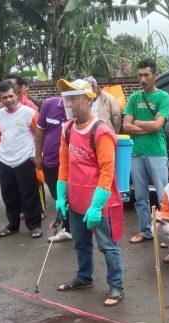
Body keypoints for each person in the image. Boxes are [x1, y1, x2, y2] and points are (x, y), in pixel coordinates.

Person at [54, 78, 125, 307]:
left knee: (108, 246)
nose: (69, 104)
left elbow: (107, 171)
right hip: (75, 200)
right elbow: (64, 166)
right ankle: (84, 277)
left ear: (88, 98)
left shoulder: (101, 132)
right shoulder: (67, 129)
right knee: (81, 243)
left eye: (73, 98)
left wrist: (96, 205)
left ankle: (116, 285)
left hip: (99, 202)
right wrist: (61, 196)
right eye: (67, 99)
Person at [122, 58, 169, 244]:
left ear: (154, 76)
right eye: (140, 75)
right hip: (136, 153)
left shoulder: (164, 97)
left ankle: (168, 235)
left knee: (163, 196)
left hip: (157, 153)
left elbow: (158, 125)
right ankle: (145, 231)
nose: (142, 79)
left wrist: (137, 122)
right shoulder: (134, 97)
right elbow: (125, 126)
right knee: (140, 196)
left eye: (146, 75)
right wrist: (148, 126)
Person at [0, 80, 43, 239]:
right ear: (0, 99)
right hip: (4, 160)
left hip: (24, 159)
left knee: (29, 194)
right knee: (9, 196)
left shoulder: (29, 113)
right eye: (4, 97)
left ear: (18, 95)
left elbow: (40, 136)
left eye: (10, 96)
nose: (8, 100)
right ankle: (13, 225)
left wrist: (37, 155)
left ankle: (34, 226)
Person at [36, 95, 72, 242]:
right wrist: (38, 155)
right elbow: (40, 131)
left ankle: (68, 229)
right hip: (50, 161)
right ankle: (66, 225)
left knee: (70, 197)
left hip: (71, 163)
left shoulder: (78, 109)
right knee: (58, 196)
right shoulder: (49, 104)